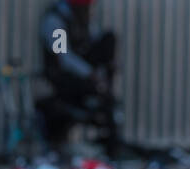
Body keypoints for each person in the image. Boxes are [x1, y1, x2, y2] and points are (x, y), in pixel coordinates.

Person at [36, 0, 124, 155]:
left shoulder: (82, 19)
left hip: (82, 73)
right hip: (63, 76)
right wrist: (90, 74)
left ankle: (112, 144)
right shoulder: (55, 21)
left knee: (109, 39)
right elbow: (63, 56)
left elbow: (93, 39)